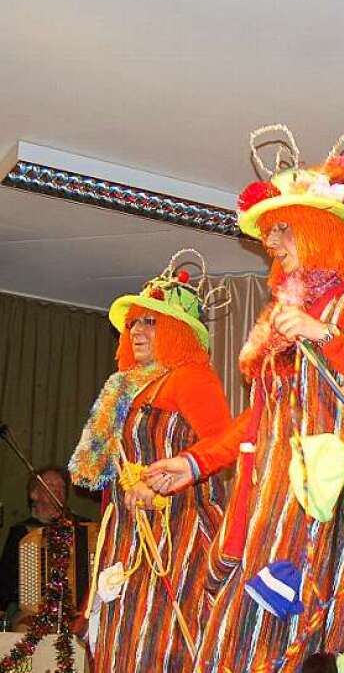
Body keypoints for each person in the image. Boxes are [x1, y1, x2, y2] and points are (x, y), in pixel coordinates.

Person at [148, 130, 344, 672]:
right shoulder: (278, 318)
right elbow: (263, 419)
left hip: (337, 500)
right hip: (274, 500)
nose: (271, 243)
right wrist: (195, 461)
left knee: (335, 639)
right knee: (253, 638)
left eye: (282, 229)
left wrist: (326, 336)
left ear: (321, 231)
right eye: (268, 234)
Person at [68, 252, 233, 671]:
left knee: (164, 644)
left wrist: (161, 481)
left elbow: (223, 443)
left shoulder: (191, 377)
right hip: (132, 535)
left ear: (178, 331)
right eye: (133, 323)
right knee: (123, 643)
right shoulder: (129, 388)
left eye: (150, 322)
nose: (136, 331)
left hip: (179, 533)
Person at [0, 468, 70, 616]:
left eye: (62, 487)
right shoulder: (21, 531)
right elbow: (6, 581)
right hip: (30, 611)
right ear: (34, 494)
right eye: (51, 485)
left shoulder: (78, 527)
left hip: (71, 613)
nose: (58, 490)